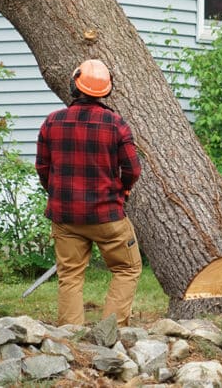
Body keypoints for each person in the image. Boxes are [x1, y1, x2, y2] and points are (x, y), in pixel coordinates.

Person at [35, 59, 142, 327]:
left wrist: (59, 195)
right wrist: (123, 190)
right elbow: (132, 169)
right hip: (107, 216)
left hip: (65, 217)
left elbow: (42, 168)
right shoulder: (116, 124)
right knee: (127, 268)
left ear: (74, 86)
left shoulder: (52, 122)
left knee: (70, 275)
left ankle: (69, 338)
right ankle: (111, 331)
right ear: (106, 90)